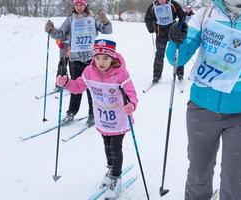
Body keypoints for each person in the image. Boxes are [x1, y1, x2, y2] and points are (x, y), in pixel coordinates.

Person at [166, 0, 241, 199]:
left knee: (234, 180)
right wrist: (174, 40)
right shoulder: (205, 14)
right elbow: (176, 59)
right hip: (202, 108)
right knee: (198, 175)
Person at [56, 34, 138, 199]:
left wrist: (131, 105)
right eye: (98, 57)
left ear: (112, 58)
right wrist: (66, 83)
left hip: (119, 118)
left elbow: (131, 94)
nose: (101, 62)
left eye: (105, 58)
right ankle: (110, 168)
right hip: (103, 118)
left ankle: (116, 177)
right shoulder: (89, 71)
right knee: (107, 146)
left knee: (115, 147)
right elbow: (78, 87)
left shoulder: (121, 74)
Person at [44, 0, 112, 127]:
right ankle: (71, 113)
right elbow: (61, 34)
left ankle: (93, 114)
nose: (79, 7)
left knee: (92, 89)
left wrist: (105, 21)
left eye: (81, 5)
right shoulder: (70, 20)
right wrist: (51, 30)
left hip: (91, 60)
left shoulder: (92, 19)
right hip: (75, 59)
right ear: (74, 5)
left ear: (85, 5)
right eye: (77, 5)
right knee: (75, 88)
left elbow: (107, 31)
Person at [144, 0, 186, 83]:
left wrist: (181, 25)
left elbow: (182, 15)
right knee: (159, 55)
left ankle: (180, 74)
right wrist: (150, 28)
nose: (162, 1)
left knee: (176, 53)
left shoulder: (173, 4)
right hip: (161, 34)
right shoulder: (152, 6)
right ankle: (156, 76)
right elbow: (148, 18)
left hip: (173, 33)